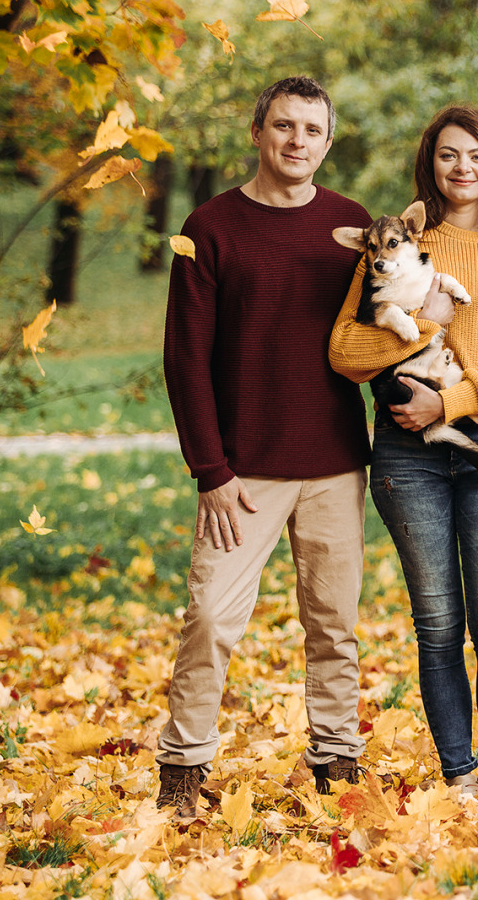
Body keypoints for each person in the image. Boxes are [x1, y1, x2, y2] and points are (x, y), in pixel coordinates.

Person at [157, 76, 372, 818]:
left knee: (334, 624)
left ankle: (336, 766)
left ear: (328, 143)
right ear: (257, 133)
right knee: (212, 618)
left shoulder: (354, 227)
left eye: (312, 131)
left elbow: (382, 331)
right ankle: (182, 771)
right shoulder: (209, 228)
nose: (297, 143)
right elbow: (184, 358)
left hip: (337, 463)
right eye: (283, 127)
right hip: (241, 473)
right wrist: (209, 471)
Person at [328, 104, 478, 787]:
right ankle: (459, 775)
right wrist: (425, 328)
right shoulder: (389, 249)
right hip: (408, 458)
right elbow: (345, 349)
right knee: (438, 624)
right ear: (431, 165)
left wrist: (444, 400)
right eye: (450, 155)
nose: (464, 168)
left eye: (477, 156)